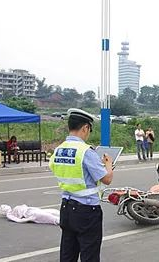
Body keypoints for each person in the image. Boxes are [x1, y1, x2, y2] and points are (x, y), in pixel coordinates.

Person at [49, 108, 114, 261]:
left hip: (66, 208)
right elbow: (106, 179)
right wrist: (108, 164)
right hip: (86, 211)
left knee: (67, 254)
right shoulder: (86, 151)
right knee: (89, 255)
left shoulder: (59, 150)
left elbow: (57, 167)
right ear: (85, 128)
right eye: (89, 130)